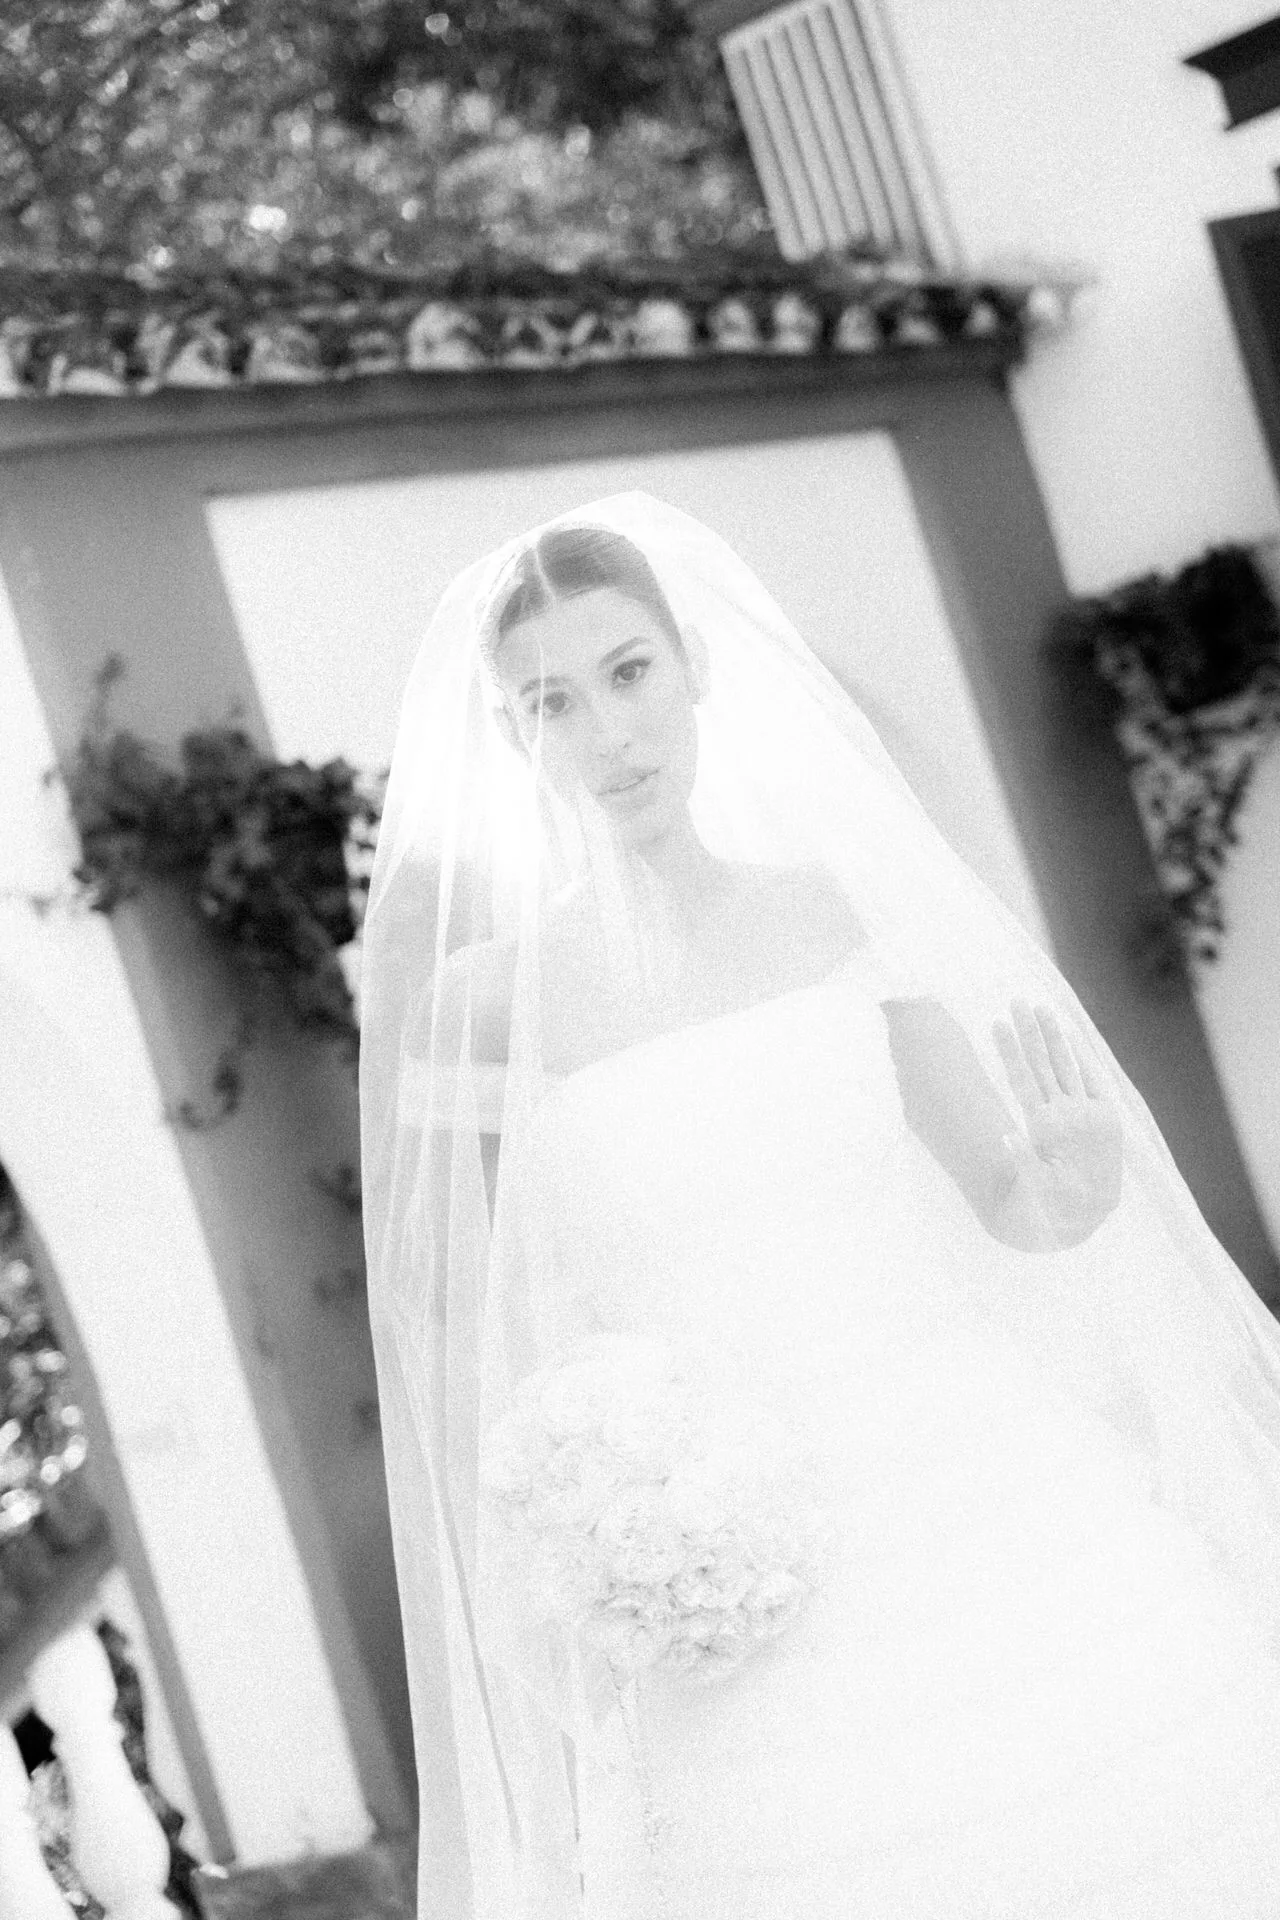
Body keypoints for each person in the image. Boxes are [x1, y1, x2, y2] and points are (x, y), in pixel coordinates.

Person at [359, 493, 1280, 1920]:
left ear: (693, 666)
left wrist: (1071, 1187)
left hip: (984, 1487)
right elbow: (481, 1333)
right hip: (732, 1576)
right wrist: (596, 1511)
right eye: (552, 704)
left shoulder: (840, 908)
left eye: (628, 672)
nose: (608, 735)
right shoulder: (485, 1015)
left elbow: (1008, 1194)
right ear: (515, 741)